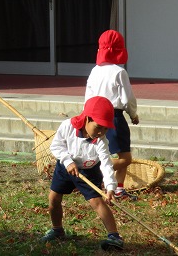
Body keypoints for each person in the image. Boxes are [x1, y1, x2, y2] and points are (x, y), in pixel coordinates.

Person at [41, 96, 124, 251]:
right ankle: (57, 229)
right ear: (87, 119)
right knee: (54, 198)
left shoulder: (101, 141)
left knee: (97, 202)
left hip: (89, 170)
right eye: (99, 127)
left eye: (106, 129)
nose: (101, 132)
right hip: (66, 167)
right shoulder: (68, 126)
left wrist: (110, 186)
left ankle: (114, 236)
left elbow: (106, 164)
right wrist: (67, 161)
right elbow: (56, 146)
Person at [85, 30, 139, 200]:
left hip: (93, 116)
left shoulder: (95, 71)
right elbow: (127, 97)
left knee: (105, 150)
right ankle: (93, 172)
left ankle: (118, 189)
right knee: (125, 157)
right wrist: (133, 113)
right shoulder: (119, 72)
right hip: (114, 117)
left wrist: (87, 116)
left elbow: (88, 94)